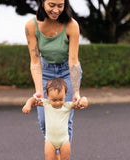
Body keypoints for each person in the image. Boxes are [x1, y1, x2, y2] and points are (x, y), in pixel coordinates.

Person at [25, 0, 87, 159]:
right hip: (45, 71)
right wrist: (39, 90)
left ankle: (62, 156)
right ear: (42, 3)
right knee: (44, 120)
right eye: (51, 5)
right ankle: (53, 153)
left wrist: (77, 92)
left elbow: (73, 61)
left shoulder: (72, 25)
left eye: (60, 5)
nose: (56, 10)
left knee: (65, 118)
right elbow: (35, 61)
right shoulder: (31, 26)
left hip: (67, 70)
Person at [22, 78, 88, 160]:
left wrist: (83, 100)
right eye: (54, 100)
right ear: (47, 96)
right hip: (50, 141)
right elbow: (33, 99)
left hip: (64, 141)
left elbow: (79, 104)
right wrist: (28, 104)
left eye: (61, 99)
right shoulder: (46, 104)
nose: (57, 103)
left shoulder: (67, 106)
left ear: (65, 95)